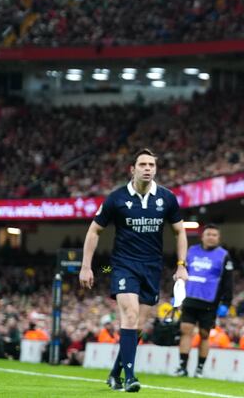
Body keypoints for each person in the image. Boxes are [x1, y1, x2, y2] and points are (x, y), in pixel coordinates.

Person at [80, 148, 188, 393]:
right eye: (143, 164)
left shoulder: (167, 198)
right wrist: (86, 266)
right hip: (122, 265)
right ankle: (129, 377)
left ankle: (114, 373)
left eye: (151, 164)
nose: (148, 168)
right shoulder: (116, 198)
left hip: (152, 267)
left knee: (138, 326)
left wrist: (181, 266)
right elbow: (94, 231)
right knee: (128, 316)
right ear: (133, 169)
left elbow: (180, 231)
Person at [175, 224, 233, 378]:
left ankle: (199, 368)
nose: (211, 237)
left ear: (218, 238)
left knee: (204, 334)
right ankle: (182, 366)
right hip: (190, 298)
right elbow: (181, 272)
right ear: (202, 236)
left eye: (214, 235)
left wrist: (226, 303)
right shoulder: (191, 251)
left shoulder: (223, 255)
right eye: (208, 234)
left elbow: (228, 281)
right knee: (186, 330)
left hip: (210, 301)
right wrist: (176, 292)